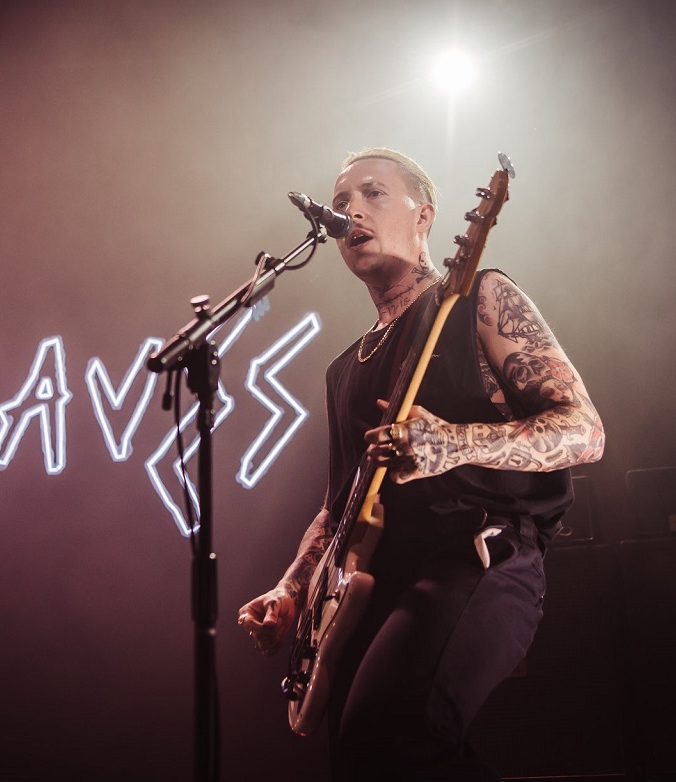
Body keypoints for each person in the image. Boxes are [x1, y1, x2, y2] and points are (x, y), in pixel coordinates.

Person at [236, 148, 605, 780]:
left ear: (425, 216)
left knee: (397, 736)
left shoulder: (478, 298)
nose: (352, 209)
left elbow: (583, 429)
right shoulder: (343, 369)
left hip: (475, 555)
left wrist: (454, 443)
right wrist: (292, 589)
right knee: (365, 761)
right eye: (342, 201)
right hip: (368, 589)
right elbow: (339, 506)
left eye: (373, 193)